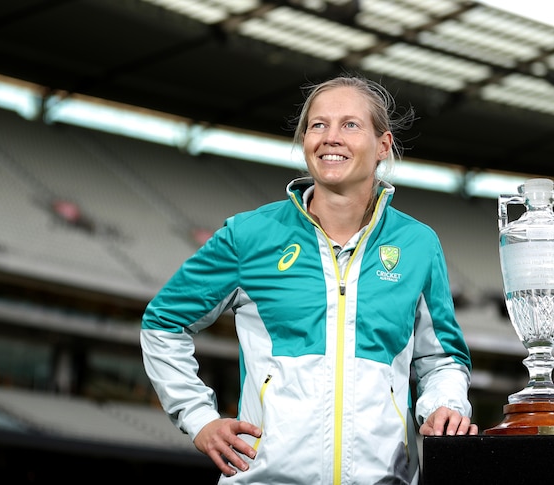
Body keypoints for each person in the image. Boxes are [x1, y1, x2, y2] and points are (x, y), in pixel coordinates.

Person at [140, 74, 478, 484]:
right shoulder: (248, 236)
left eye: (350, 125)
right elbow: (163, 323)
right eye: (318, 125)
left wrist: (445, 405)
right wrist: (198, 418)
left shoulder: (418, 244)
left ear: (383, 146)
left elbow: (442, 359)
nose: (330, 137)